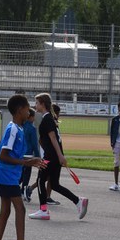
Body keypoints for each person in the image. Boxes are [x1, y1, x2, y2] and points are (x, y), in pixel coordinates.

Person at [0, 94, 45, 240]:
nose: (30, 110)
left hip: (9, 175)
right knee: (20, 209)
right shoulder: (13, 129)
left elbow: (12, 155)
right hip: (6, 174)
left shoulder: (19, 128)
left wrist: (30, 161)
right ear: (20, 110)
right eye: (28, 107)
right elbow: (3, 155)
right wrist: (26, 162)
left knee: (6, 211)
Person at [29, 93, 87, 221]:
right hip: (54, 156)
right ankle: (78, 201)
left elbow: (53, 138)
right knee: (54, 184)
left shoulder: (47, 119)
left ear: (43, 104)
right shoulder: (50, 118)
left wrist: (60, 155)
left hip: (51, 156)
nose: (35, 105)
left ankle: (43, 210)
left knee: (40, 180)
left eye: (37, 103)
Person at [19, 108, 40, 203]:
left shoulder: (21, 126)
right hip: (28, 154)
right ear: (30, 117)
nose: (34, 119)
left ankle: (14, 187)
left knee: (21, 173)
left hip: (20, 154)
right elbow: (35, 144)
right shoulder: (32, 128)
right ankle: (24, 191)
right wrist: (38, 156)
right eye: (33, 117)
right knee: (27, 174)